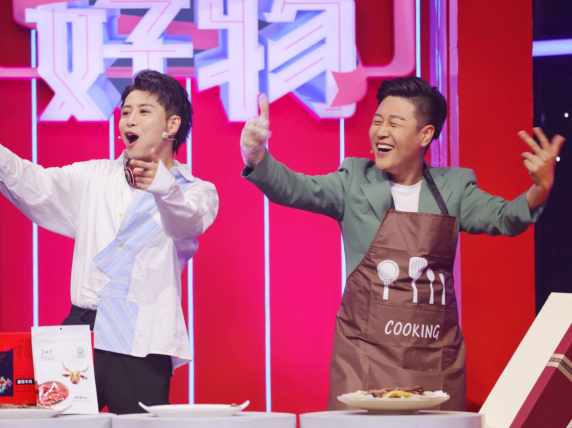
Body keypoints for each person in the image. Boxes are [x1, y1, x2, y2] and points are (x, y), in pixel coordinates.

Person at [239, 76, 564, 411]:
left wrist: (539, 189)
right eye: (378, 121)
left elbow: (505, 217)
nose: (381, 131)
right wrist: (256, 155)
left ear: (425, 134)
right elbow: (294, 188)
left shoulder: (454, 187)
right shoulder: (353, 181)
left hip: (433, 359)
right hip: (364, 357)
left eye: (394, 123)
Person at [0, 70, 219, 414]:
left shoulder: (195, 191)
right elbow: (39, 186)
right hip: (83, 328)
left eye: (144, 111)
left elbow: (185, 223)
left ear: (171, 125)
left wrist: (163, 187)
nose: (130, 119)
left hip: (142, 335)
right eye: (125, 112)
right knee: (61, 422)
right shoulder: (95, 176)